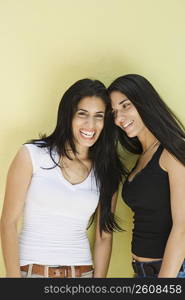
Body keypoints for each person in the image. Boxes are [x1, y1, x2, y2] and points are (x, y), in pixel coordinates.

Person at [0, 78, 126, 278]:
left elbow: (104, 236)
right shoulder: (32, 155)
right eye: (82, 114)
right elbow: (8, 222)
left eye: (98, 116)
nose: (90, 125)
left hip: (82, 274)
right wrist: (13, 280)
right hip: (31, 273)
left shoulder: (106, 171)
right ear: (68, 116)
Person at [108, 74, 185, 278]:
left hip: (171, 274)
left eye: (125, 106)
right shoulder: (141, 157)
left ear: (144, 101)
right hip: (142, 274)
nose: (119, 118)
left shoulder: (172, 151)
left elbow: (183, 227)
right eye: (114, 112)